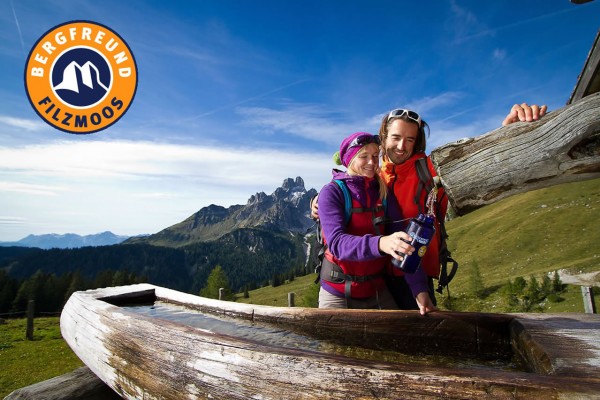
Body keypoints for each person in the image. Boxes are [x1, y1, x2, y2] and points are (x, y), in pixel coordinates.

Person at [312, 103, 547, 315]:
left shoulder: (431, 170)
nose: (402, 146)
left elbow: (479, 165)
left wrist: (505, 135)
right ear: (383, 139)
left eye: (410, 140)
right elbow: (344, 194)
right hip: (377, 278)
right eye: (395, 137)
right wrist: (319, 201)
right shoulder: (376, 175)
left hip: (413, 272)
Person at [316, 131, 428, 310]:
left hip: (377, 291)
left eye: (376, 156)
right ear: (349, 159)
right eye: (364, 156)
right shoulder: (332, 192)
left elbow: (406, 242)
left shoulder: (383, 193)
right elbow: (337, 243)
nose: (372, 162)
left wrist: (420, 291)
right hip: (337, 293)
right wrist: (381, 243)